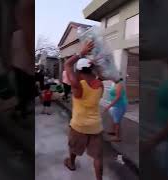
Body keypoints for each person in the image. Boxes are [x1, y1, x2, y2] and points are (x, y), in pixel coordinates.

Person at [63, 41, 104, 180]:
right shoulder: (100, 85)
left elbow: (67, 64)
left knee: (74, 147)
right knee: (98, 157)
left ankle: (71, 163)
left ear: (79, 71)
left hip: (79, 125)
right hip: (96, 126)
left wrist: (81, 52)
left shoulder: (77, 86)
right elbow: (99, 76)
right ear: (92, 69)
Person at [11, 5, 35, 119]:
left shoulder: (17, 34)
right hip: (25, 68)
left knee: (21, 92)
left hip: (18, 66)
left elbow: (13, 50)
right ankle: (22, 110)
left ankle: (21, 109)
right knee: (25, 92)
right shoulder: (27, 33)